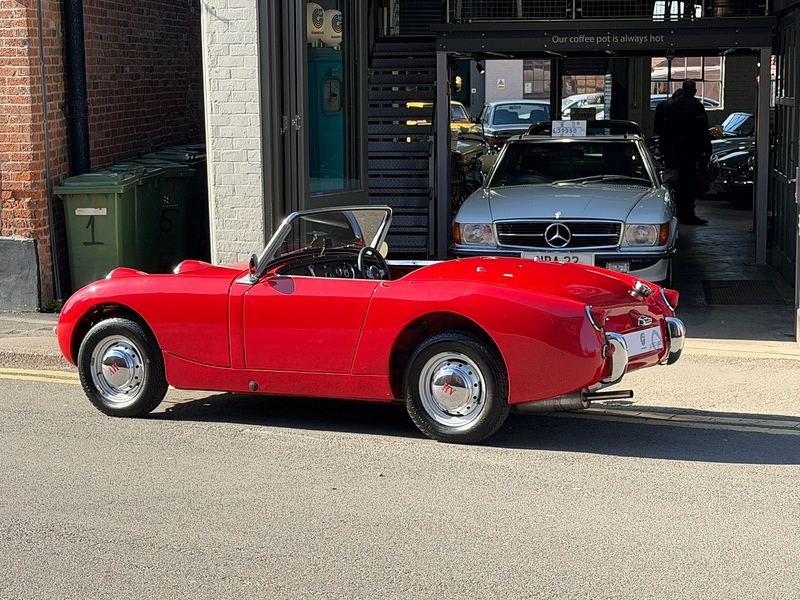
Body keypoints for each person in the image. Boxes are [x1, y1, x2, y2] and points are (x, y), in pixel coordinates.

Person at [659, 80, 712, 225]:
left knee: (676, 183)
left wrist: (663, 148)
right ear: (694, 91)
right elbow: (702, 130)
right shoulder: (696, 106)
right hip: (689, 152)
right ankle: (688, 213)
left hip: (673, 152)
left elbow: (664, 129)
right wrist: (706, 151)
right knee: (689, 183)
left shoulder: (672, 106)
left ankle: (679, 212)